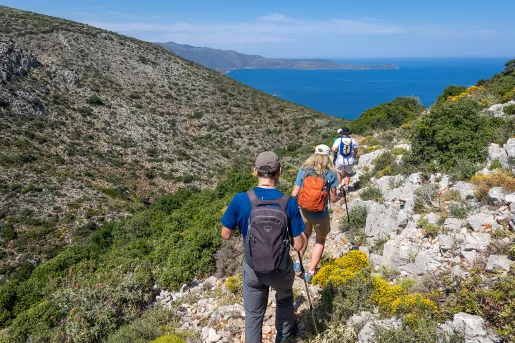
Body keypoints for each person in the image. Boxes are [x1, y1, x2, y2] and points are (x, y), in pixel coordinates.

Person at [220, 151, 306, 343]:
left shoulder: (240, 199)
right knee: (284, 298)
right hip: (281, 269)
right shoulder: (289, 203)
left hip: (252, 269)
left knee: (253, 316)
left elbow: (225, 234)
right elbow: (299, 245)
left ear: (255, 172)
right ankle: (283, 336)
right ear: (279, 172)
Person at [291, 144, 341, 283]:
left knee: (304, 236)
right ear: (327, 156)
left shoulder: (304, 169)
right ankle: (311, 272)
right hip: (320, 213)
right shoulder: (331, 173)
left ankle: (297, 262)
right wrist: (341, 195)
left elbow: (294, 193)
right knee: (320, 240)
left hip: (303, 211)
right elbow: (333, 199)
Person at [332, 127, 358, 192]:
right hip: (350, 160)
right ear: (348, 133)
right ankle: (346, 188)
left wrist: (338, 150)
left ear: (342, 133)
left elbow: (333, 149)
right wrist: (354, 156)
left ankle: (339, 187)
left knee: (339, 173)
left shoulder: (338, 140)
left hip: (340, 160)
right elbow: (356, 150)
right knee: (347, 174)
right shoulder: (352, 140)